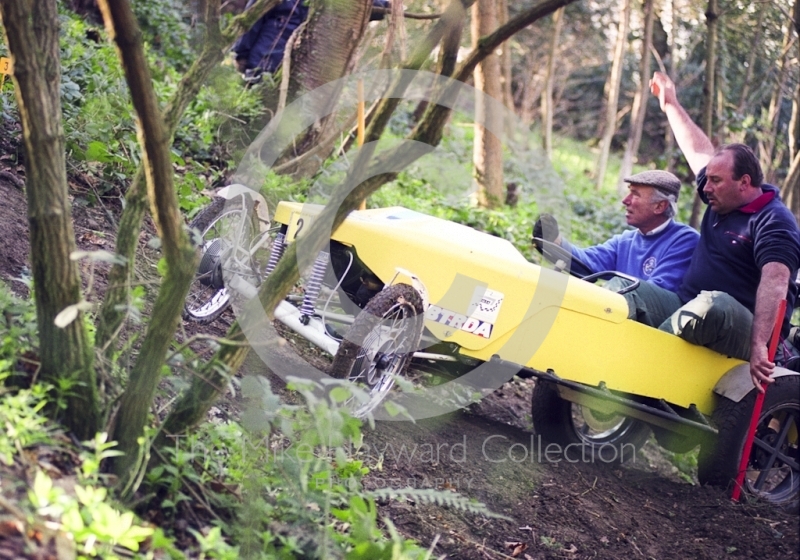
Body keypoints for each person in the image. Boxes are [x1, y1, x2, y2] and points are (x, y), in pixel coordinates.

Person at [624, 71, 800, 387]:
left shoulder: (775, 222)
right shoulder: (720, 192)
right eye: (709, 179)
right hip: (687, 305)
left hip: (743, 326)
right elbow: (698, 148)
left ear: (744, 183)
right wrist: (671, 104)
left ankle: (635, 375)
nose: (706, 188)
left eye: (715, 181)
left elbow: (776, 282)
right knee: (628, 291)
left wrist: (760, 344)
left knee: (711, 304)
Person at [533, 169, 699, 293]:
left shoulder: (684, 241)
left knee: (622, 285)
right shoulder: (626, 241)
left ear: (659, 206)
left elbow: (656, 293)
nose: (625, 201)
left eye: (635, 194)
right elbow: (587, 263)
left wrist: (609, 292)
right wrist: (554, 242)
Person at [233, 0, 390, 81]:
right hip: (265, 60)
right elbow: (252, 17)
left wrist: (387, 4)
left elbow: (372, 7)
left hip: (306, 68)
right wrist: (242, 52)